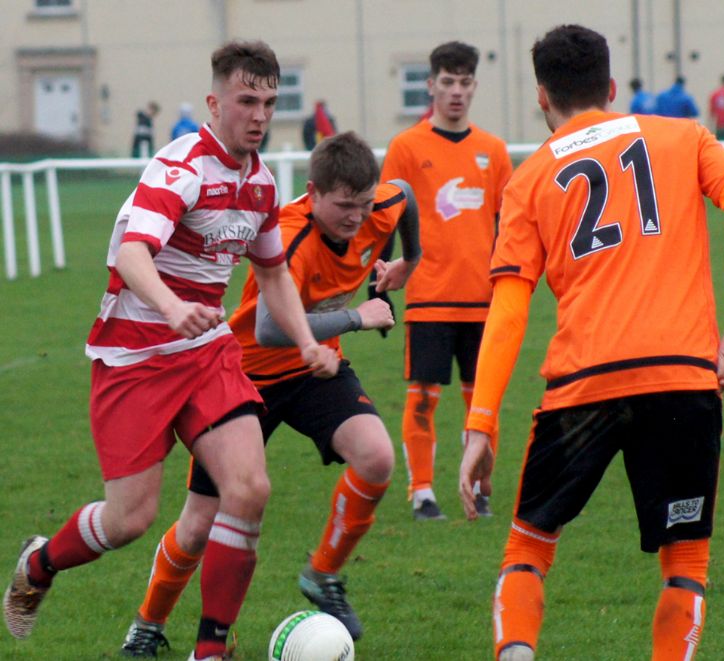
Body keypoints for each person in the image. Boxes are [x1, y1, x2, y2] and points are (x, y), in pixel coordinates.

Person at [3, 40, 340, 661]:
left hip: (207, 353)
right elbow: (133, 253)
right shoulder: (180, 166)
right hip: (134, 357)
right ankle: (40, 563)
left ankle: (209, 650)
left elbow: (272, 275)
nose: (259, 115)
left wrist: (305, 340)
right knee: (130, 519)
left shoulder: (261, 184)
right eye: (246, 101)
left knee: (249, 488)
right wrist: (172, 306)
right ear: (215, 103)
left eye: (269, 101)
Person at [459, 24, 724, 661]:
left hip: (583, 386)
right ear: (610, 86)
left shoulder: (528, 179)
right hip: (682, 378)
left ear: (542, 98)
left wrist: (481, 425)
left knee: (528, 547)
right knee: (685, 560)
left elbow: (510, 307)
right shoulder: (684, 137)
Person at [117, 130, 421, 656]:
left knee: (376, 457)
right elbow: (270, 329)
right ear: (313, 192)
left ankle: (323, 575)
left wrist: (407, 264)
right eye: (344, 206)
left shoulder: (382, 204)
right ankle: (148, 623)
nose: (357, 217)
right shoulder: (290, 233)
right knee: (198, 525)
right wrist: (358, 316)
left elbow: (407, 198)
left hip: (314, 372)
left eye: (365, 204)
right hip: (247, 374)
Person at [381, 40, 513, 520]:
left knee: (482, 403)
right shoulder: (407, 147)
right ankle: (422, 493)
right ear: (431, 84)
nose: (456, 92)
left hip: (484, 299)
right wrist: (382, 271)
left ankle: (479, 489)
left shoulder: (494, 151)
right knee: (422, 397)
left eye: (465, 82)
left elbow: (508, 227)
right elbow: (385, 218)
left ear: (474, 86)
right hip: (430, 297)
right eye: (447, 81)